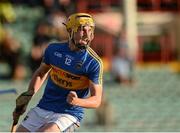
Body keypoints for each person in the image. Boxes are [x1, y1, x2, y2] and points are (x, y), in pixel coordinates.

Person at [12, 13, 103, 132]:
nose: (87, 34)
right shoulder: (53, 49)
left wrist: (77, 101)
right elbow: (41, 73)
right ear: (70, 31)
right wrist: (28, 96)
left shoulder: (93, 62)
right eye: (81, 29)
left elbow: (96, 100)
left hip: (68, 114)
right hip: (44, 107)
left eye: (90, 30)